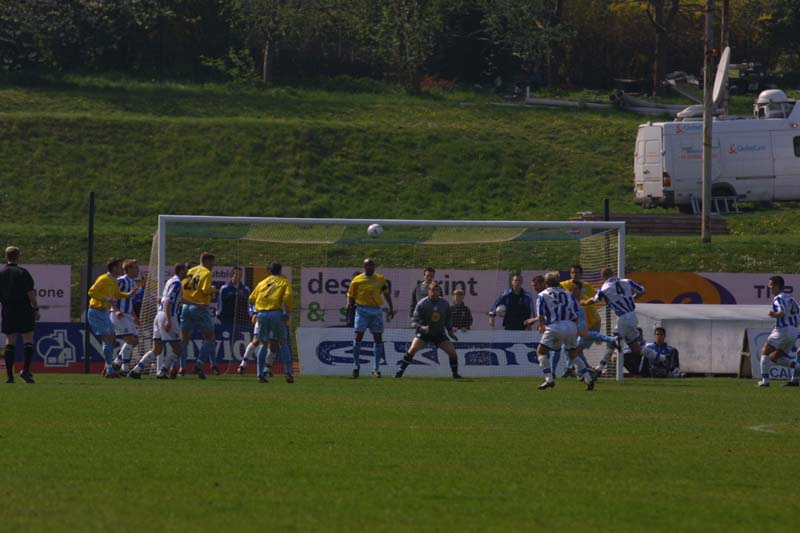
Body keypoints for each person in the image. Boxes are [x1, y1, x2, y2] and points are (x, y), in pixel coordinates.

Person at [587, 268, 663, 375]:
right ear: (613, 274)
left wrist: (584, 302)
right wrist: (632, 298)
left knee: (612, 343)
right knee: (635, 348)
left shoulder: (604, 288)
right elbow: (642, 291)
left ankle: (599, 369)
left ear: (603, 277)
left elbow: (594, 300)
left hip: (623, 318)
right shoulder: (627, 281)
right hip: (632, 315)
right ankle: (662, 358)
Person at [534, 272, 594, 391]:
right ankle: (588, 378)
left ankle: (549, 379)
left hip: (555, 326)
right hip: (571, 325)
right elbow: (576, 312)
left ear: (546, 283)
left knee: (541, 352)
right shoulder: (568, 294)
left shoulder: (542, 295)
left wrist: (541, 326)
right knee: (573, 354)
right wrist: (574, 328)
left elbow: (541, 314)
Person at [129, 263, 187, 379]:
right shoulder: (176, 284)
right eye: (186, 271)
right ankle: (162, 372)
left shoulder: (170, 281)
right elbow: (167, 302)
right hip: (168, 315)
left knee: (157, 349)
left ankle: (136, 370)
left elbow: (166, 299)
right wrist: (169, 320)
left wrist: (197, 303)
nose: (187, 273)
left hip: (159, 316)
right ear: (181, 271)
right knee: (178, 348)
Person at [395, 281, 461, 379]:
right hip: (424, 333)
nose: (434, 293)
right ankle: (399, 372)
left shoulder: (445, 304)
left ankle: (455, 374)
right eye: (432, 290)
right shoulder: (422, 303)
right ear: (428, 291)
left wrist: (450, 332)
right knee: (412, 349)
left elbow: (448, 320)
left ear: (439, 291)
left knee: (452, 353)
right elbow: (414, 322)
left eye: (437, 290)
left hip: (439, 333)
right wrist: (421, 327)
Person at [88, 258, 138, 378]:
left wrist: (129, 294)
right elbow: (91, 292)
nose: (121, 268)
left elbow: (117, 294)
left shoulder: (113, 280)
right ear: (114, 267)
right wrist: (107, 299)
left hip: (104, 311)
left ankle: (110, 368)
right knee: (109, 338)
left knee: (110, 339)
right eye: (119, 266)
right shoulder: (103, 279)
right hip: (96, 310)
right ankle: (110, 368)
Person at [346, 258, 396, 378]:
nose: (369, 268)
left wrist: (391, 307)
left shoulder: (380, 279)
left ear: (374, 266)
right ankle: (356, 365)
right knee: (358, 337)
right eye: (367, 266)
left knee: (378, 339)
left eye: (371, 265)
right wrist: (348, 304)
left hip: (376, 311)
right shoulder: (357, 280)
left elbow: (386, 294)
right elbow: (350, 294)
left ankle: (376, 368)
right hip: (362, 310)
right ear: (364, 266)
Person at [248, 262, 294, 383]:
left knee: (263, 343)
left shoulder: (262, 283)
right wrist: (287, 312)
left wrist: (255, 312)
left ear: (269, 271)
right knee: (283, 342)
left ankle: (259, 374)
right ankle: (288, 373)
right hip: (275, 313)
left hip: (262, 314)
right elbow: (288, 296)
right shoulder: (284, 282)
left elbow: (251, 298)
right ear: (280, 270)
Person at [0, 246, 40, 383]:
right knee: (28, 339)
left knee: (10, 341)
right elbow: (30, 293)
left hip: (8, 309)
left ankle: (10, 376)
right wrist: (35, 309)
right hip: (24, 309)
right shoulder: (23, 272)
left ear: (6, 256)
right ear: (18, 257)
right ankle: (26, 370)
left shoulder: (2, 273)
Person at [758, 275, 800, 387]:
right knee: (774, 357)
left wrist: (774, 314)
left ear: (777, 286)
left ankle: (765, 382)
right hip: (794, 332)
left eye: (771, 285)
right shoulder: (790, 298)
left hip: (782, 331)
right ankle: (798, 369)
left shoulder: (778, 298)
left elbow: (782, 312)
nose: (769, 287)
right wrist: (778, 322)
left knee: (764, 352)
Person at [181, 252, 217, 379]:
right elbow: (205, 290)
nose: (213, 265)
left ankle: (182, 367)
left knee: (184, 339)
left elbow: (183, 287)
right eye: (212, 262)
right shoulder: (206, 272)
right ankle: (199, 365)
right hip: (199, 306)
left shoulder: (191, 270)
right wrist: (213, 289)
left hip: (186, 306)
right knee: (210, 337)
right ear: (207, 261)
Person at [214, 267, 251, 374]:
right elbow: (220, 306)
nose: (238, 277)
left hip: (241, 322)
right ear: (232, 275)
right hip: (227, 322)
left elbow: (248, 305)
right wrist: (221, 317)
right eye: (236, 274)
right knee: (227, 344)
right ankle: (223, 366)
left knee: (240, 345)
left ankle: (240, 365)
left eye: (240, 274)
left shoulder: (245, 290)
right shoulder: (225, 289)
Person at [110, 259, 140, 376]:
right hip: (119, 314)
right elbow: (112, 296)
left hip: (128, 315)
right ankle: (124, 367)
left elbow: (129, 301)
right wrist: (116, 310)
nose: (137, 270)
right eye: (135, 268)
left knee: (135, 341)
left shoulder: (133, 283)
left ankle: (119, 363)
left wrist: (134, 316)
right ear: (128, 269)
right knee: (130, 340)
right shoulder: (121, 281)